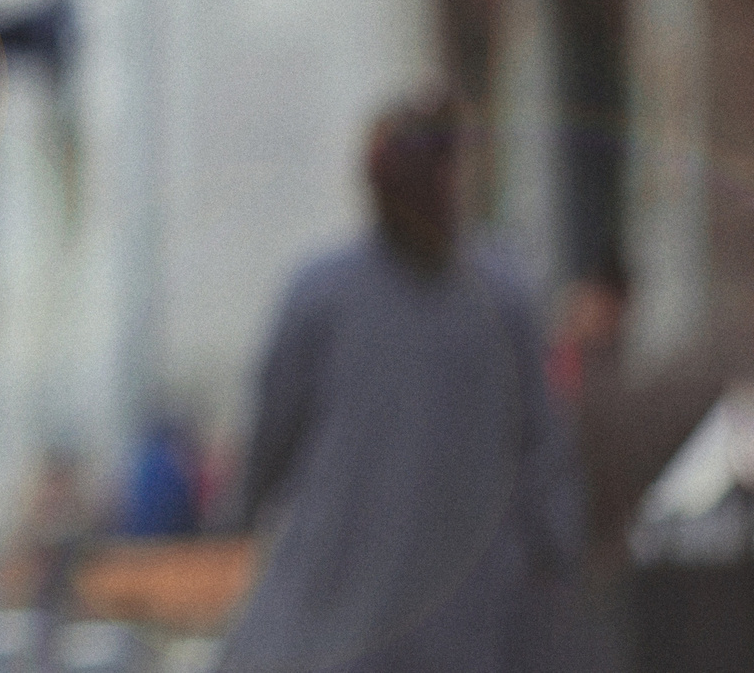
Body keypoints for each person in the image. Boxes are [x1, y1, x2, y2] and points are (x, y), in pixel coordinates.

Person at [216, 93, 578, 673]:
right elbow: (543, 453)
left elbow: (268, 442)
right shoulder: (500, 292)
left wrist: (238, 512)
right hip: (458, 617)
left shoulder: (324, 292)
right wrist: (554, 550)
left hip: (345, 610)